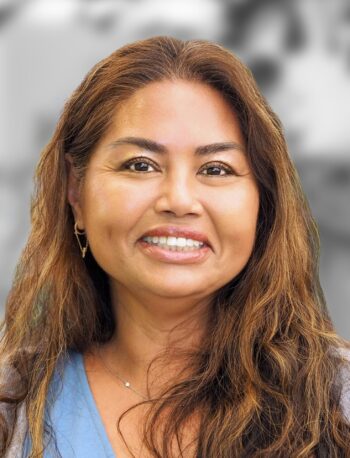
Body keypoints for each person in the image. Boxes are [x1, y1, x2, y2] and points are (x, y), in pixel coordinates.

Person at [1, 35, 350, 458]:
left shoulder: (336, 404)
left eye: (216, 169)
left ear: (263, 202)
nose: (179, 200)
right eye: (140, 165)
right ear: (77, 193)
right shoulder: (12, 406)